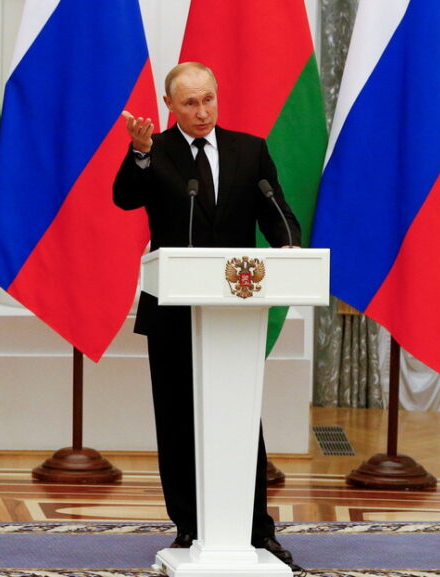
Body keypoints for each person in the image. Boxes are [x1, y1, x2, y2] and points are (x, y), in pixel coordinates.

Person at [113, 62, 302, 572]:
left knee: (242, 424)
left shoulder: (250, 149)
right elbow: (125, 197)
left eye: (209, 100)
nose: (202, 112)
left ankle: (258, 532)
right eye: (191, 103)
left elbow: (275, 210)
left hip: (231, 314)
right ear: (171, 106)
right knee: (178, 420)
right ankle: (190, 527)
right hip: (174, 310)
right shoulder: (158, 149)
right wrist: (141, 153)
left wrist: (289, 243)